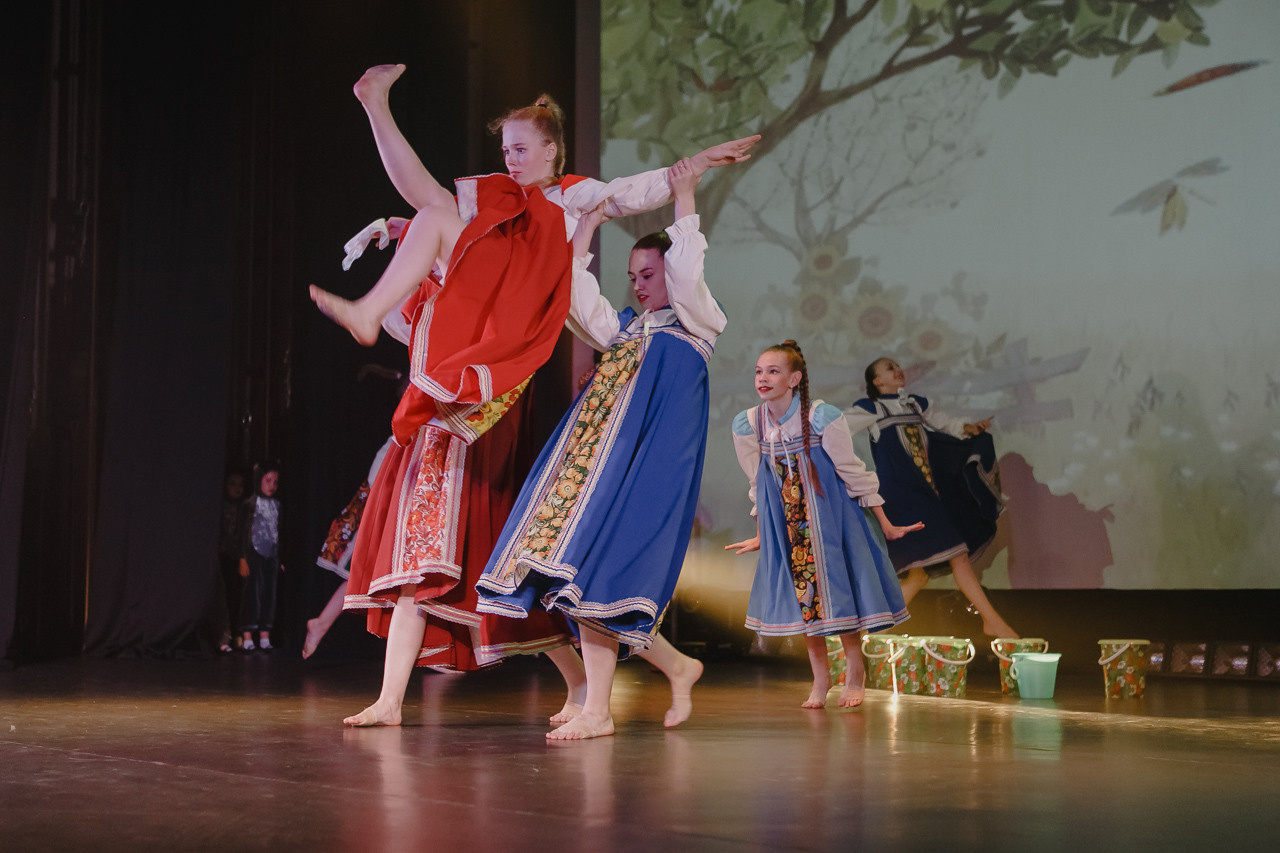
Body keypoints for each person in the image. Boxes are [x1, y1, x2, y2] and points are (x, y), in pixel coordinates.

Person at [323, 66, 759, 727]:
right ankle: (374, 116)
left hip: (509, 346)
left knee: (535, 550)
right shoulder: (503, 202)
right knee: (434, 210)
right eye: (506, 151)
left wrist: (686, 174)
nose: (512, 160)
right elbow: (432, 200)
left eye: (523, 149)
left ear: (554, 151)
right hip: (491, 320)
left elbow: (635, 195)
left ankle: (608, 689)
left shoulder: (572, 198)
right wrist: (378, 116)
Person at [477, 157, 720, 741]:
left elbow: (688, 267)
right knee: (580, 573)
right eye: (633, 275)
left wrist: (684, 195)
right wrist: (582, 236)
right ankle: (660, 675)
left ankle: (601, 710)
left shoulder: (694, 320)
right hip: (602, 463)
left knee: (600, 571)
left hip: (647, 465)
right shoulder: (627, 329)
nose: (639, 285)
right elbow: (575, 301)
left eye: (648, 274)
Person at [725, 342, 920, 709]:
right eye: (759, 371)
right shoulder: (749, 424)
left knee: (839, 597)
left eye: (773, 371)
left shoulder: (821, 416)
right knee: (805, 605)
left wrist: (887, 524)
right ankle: (821, 679)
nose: (763, 378)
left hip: (831, 523)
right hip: (790, 529)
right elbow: (760, 482)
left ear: (794, 378)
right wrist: (762, 533)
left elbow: (852, 472)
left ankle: (855, 671)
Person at [848, 357, 1017, 638]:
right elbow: (834, 430)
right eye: (889, 368)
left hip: (925, 493)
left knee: (918, 575)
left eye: (897, 366)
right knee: (957, 555)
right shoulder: (871, 409)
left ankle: (870, 631)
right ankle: (994, 622)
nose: (897, 369)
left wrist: (968, 428)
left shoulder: (915, 403)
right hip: (900, 497)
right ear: (877, 382)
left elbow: (946, 425)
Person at [303, 436, 392, 660]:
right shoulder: (403, 435)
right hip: (383, 503)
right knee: (370, 573)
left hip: (393, 502)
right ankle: (321, 623)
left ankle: (322, 623)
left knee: (382, 577)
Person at [238, 464, 281, 652]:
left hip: (271, 554)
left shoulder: (277, 504)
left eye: (275, 482)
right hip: (252, 552)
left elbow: (279, 532)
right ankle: (247, 634)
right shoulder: (250, 503)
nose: (272, 485)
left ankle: (265, 634)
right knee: (251, 594)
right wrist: (242, 557)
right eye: (268, 481)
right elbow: (241, 532)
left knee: (269, 594)